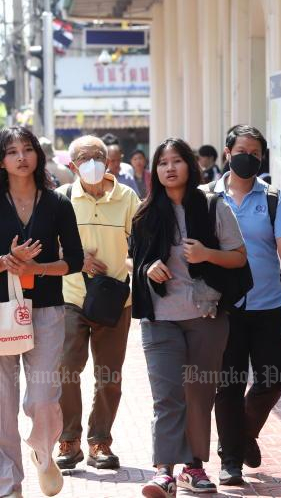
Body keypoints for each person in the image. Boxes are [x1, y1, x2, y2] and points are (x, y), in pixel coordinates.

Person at [131, 138, 247, 497]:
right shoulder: (146, 214)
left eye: (176, 161)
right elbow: (135, 261)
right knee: (167, 396)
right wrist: (149, 268)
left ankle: (193, 466)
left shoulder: (213, 207)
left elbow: (239, 258)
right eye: (162, 162)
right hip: (160, 318)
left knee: (199, 394)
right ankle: (164, 471)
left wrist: (207, 254)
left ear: (189, 166)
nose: (169, 168)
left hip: (206, 315)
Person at [210, 125, 281, 486]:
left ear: (261, 158)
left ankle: (244, 433)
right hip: (224, 308)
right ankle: (230, 459)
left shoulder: (275, 199)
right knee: (228, 385)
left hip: (269, 306)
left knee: (275, 377)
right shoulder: (208, 198)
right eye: (241, 150)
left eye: (255, 152)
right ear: (228, 152)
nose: (248, 157)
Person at [0, 126, 84, 498]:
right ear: (2, 160)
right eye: (12, 151)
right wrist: (7, 261)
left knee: (43, 398)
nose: (21, 157)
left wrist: (37, 269)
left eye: (27, 149)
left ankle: (42, 451)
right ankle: (9, 481)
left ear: (38, 154)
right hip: (1, 309)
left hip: (48, 310)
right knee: (1, 401)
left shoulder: (57, 203)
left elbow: (76, 260)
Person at [54, 136, 141, 472]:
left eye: (97, 157)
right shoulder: (61, 199)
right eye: (84, 157)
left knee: (109, 375)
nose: (92, 162)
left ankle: (100, 441)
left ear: (108, 162)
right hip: (71, 296)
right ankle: (69, 439)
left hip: (114, 301)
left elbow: (142, 243)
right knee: (65, 369)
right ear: (72, 165)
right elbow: (47, 247)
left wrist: (135, 267)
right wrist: (74, 259)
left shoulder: (127, 197)